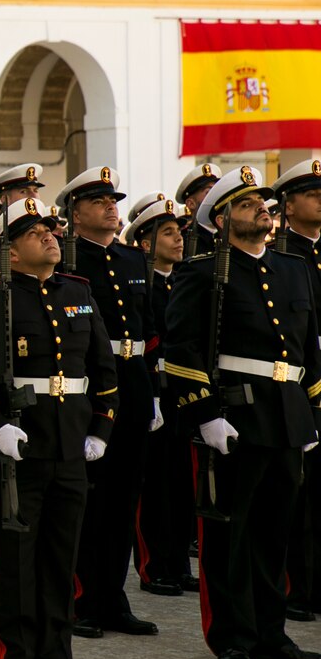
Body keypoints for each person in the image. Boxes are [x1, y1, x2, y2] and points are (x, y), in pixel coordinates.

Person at [0, 196, 117, 659]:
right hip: (17, 450)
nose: (49, 235)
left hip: (70, 446)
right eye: (34, 232)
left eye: (50, 228)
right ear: (10, 251)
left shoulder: (78, 292)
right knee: (16, 560)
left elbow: (103, 371)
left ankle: (57, 656)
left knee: (60, 558)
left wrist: (100, 429)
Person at [165, 164, 321, 659]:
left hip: (286, 415)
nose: (263, 209)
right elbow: (182, 351)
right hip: (236, 413)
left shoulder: (293, 269)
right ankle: (231, 635)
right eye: (249, 203)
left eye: (264, 203)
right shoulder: (202, 271)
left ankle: (271, 632)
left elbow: (308, 350)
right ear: (225, 216)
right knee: (230, 533)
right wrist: (205, 414)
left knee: (276, 533)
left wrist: (313, 411)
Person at [57, 166, 161, 639]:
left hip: (134, 382)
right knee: (89, 498)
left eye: (113, 200)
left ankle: (113, 597)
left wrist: (153, 392)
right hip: (89, 387)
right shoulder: (67, 261)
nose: (110, 207)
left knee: (124, 497)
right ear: (75, 212)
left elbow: (151, 329)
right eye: (99, 202)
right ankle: (82, 597)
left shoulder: (133, 259)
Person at [122, 198, 198, 597]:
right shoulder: (141, 283)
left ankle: (179, 562)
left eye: (179, 232)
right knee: (154, 485)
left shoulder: (184, 279)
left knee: (183, 482)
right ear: (146, 243)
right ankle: (153, 565)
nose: (178, 239)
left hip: (181, 392)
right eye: (168, 233)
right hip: (154, 386)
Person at [270, 159, 321, 622]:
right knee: (298, 493)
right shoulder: (284, 257)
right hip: (299, 381)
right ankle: (298, 586)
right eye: (311, 192)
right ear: (288, 205)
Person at [176, 163, 221, 258]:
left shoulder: (232, 235)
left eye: (217, 191)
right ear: (191, 203)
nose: (216, 196)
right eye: (208, 192)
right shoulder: (182, 242)